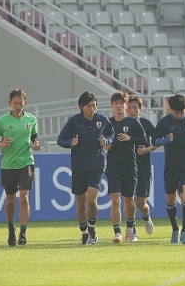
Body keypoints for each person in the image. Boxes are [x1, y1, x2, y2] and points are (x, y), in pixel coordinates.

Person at [57, 91, 114, 246]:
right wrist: (71, 143)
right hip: (79, 166)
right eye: (89, 106)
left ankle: (92, 228)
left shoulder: (102, 120)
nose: (92, 108)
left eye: (94, 105)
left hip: (97, 165)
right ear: (82, 107)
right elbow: (60, 139)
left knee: (92, 201)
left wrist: (106, 141)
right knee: (81, 203)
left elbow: (111, 133)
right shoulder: (74, 121)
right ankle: (83, 233)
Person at [0, 88, 41, 246]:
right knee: (10, 200)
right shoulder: (2, 121)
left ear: (25, 103)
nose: (18, 106)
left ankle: (23, 233)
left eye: (21, 103)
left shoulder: (31, 119)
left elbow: (34, 136)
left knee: (24, 197)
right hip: (8, 164)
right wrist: (1, 143)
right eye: (15, 103)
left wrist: (37, 144)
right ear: (9, 103)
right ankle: (11, 230)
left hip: (26, 162)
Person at [152, 94, 185, 245]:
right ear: (171, 109)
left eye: (182, 112)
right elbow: (154, 139)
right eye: (176, 113)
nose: (179, 115)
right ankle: (175, 229)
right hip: (171, 164)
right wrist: (165, 140)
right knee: (170, 198)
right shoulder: (165, 122)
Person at [104, 91, 146, 243]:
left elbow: (144, 138)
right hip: (113, 166)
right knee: (115, 200)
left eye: (121, 103)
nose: (119, 106)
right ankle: (117, 233)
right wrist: (105, 145)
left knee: (129, 199)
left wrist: (131, 139)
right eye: (116, 103)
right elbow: (103, 140)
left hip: (130, 165)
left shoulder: (133, 122)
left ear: (125, 105)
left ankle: (130, 227)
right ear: (112, 106)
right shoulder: (108, 123)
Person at [127, 95, 156, 238]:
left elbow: (157, 140)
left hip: (143, 167)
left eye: (135, 108)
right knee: (128, 200)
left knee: (140, 203)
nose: (132, 110)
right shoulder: (121, 124)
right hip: (126, 167)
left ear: (140, 109)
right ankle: (132, 229)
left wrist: (147, 149)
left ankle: (146, 216)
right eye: (130, 107)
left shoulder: (146, 124)